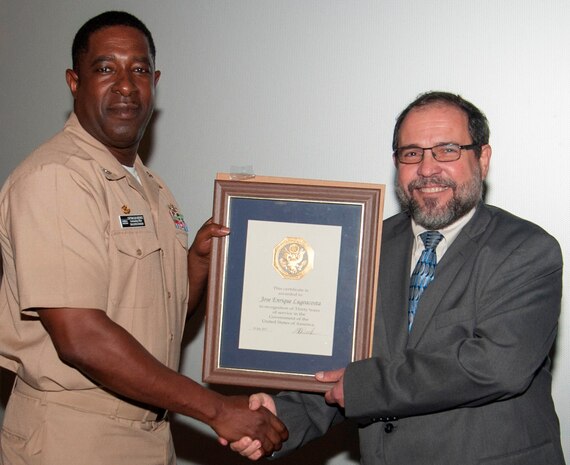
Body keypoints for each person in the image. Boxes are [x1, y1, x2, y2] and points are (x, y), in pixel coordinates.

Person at [0, 11, 287, 465]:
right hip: (74, 438)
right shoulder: (56, 177)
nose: (125, 85)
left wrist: (197, 265)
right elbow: (81, 337)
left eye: (138, 69)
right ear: (75, 81)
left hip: (148, 433)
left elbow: (163, 317)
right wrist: (217, 409)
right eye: (105, 68)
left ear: (155, 80)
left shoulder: (148, 186)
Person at [230, 91, 565, 464]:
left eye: (447, 150)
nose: (426, 168)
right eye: (412, 153)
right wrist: (275, 421)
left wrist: (361, 386)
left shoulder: (526, 250)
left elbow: (496, 367)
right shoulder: (362, 244)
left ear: (482, 159)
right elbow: (339, 362)